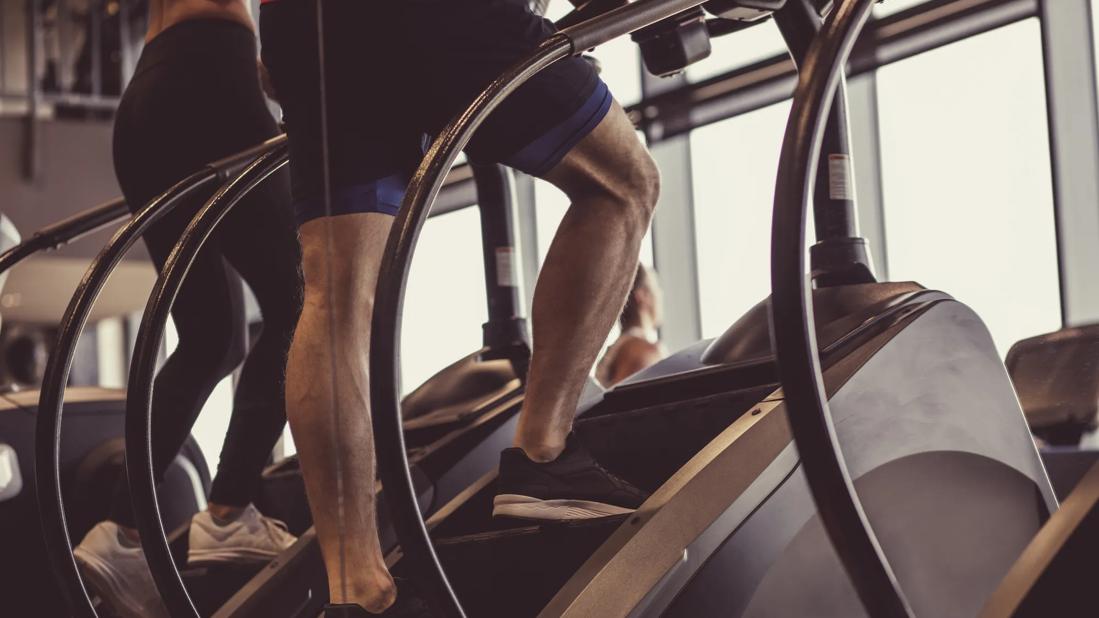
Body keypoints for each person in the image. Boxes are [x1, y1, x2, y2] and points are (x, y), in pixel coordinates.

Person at [259, 0, 659, 614]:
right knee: (622, 183)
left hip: (305, 24)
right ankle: (543, 458)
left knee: (335, 294)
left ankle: (354, 587)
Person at [72, 1, 304, 616]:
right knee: (307, 302)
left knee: (211, 337)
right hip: (213, 77)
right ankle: (229, 512)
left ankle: (122, 534)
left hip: (150, 96)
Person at [595, 264, 666, 387]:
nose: (660, 294)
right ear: (642, 295)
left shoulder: (612, 352)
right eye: (656, 288)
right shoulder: (644, 352)